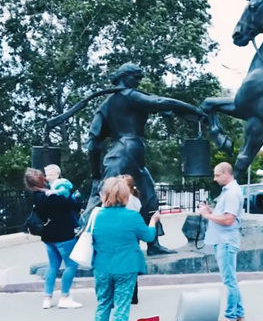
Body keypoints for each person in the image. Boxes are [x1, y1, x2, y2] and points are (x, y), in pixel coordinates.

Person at [84, 62, 205, 256]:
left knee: (149, 200)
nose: (139, 82)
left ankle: (153, 244)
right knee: (106, 201)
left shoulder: (106, 106)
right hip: (126, 152)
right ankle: (91, 246)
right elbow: (159, 102)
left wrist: (96, 172)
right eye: (136, 78)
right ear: (125, 77)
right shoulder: (128, 96)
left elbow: (93, 144)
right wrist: (194, 111)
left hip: (132, 155)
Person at [91, 176, 160, 321]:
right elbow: (148, 236)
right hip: (126, 267)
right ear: (125, 195)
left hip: (102, 266)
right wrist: (153, 221)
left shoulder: (96, 215)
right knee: (122, 305)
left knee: (103, 303)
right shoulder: (132, 216)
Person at [23, 168, 83, 310]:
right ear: (42, 179)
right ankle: (65, 296)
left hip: (48, 236)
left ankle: (47, 298)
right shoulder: (55, 197)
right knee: (71, 265)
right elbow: (75, 205)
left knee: (53, 265)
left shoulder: (35, 197)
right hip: (64, 235)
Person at [199, 162, 245, 321]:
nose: (215, 178)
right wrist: (212, 211)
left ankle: (230, 316)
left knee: (229, 280)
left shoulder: (231, 193)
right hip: (224, 240)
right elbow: (225, 215)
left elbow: (228, 219)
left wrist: (206, 215)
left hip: (225, 241)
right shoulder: (230, 192)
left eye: (217, 175)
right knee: (231, 278)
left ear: (227, 173)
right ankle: (238, 313)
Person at [122, 174, 142, 305]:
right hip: (133, 236)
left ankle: (124, 294)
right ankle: (133, 296)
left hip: (124, 235)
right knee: (131, 265)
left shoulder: (124, 200)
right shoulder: (135, 199)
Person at [44, 164, 81, 230]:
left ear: (57, 175)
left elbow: (64, 191)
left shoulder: (59, 182)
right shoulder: (51, 184)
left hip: (67, 202)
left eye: (51, 175)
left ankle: (76, 227)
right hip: (63, 204)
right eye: (47, 175)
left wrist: (55, 192)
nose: (48, 177)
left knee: (70, 214)